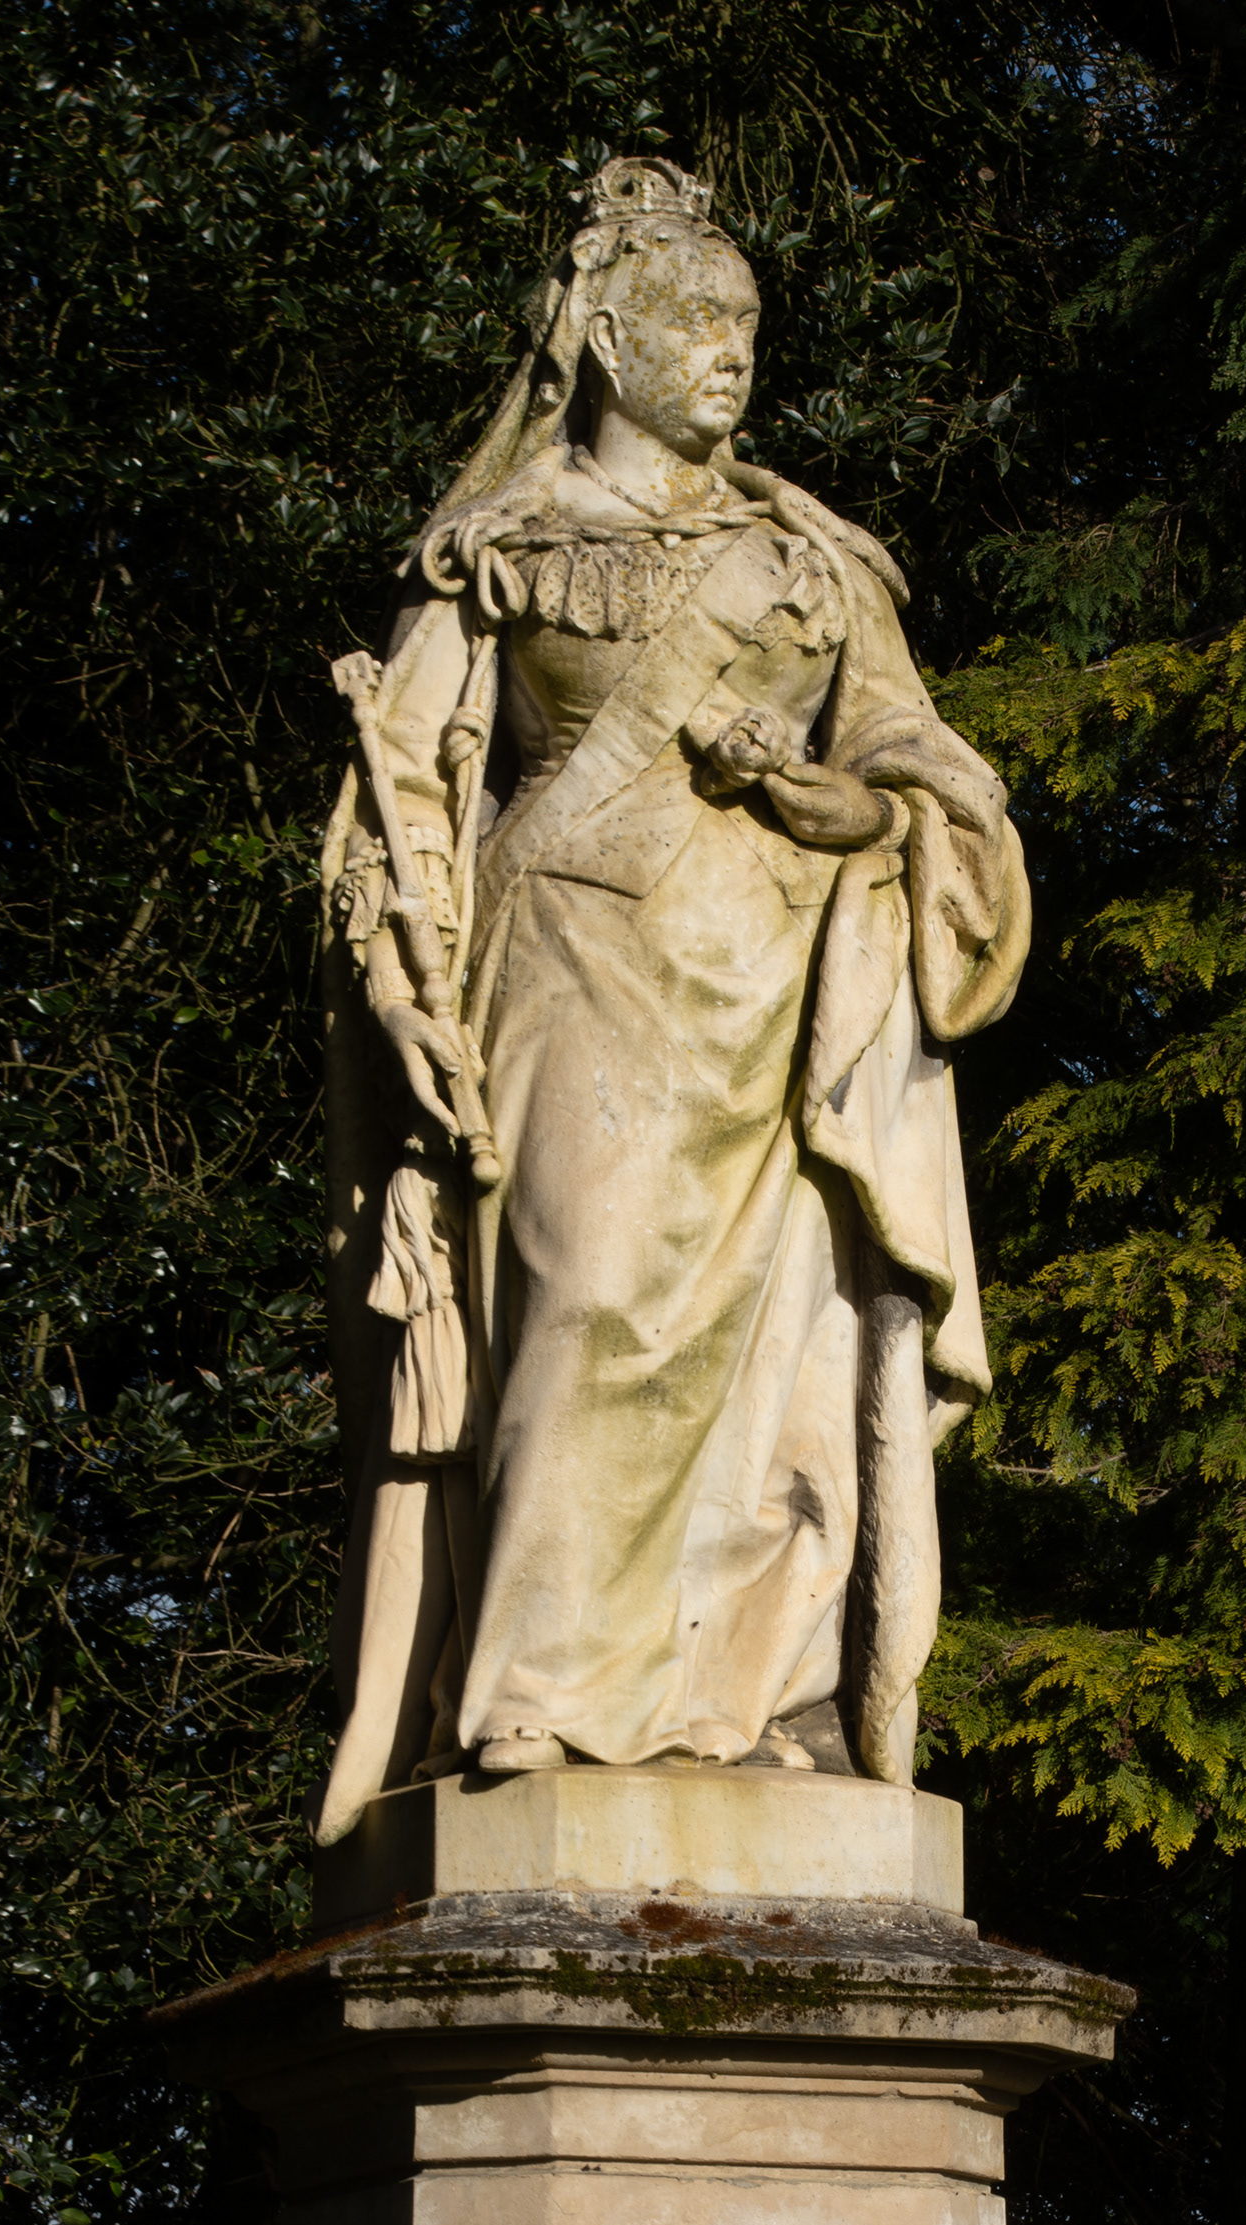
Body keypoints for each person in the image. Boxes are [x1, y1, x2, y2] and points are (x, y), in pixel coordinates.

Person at [313, 153, 1029, 1846]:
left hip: (777, 1000)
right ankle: (541, 1700)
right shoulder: (497, 552)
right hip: (567, 967)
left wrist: (868, 809)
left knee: (775, 1370)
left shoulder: (814, 563)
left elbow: (920, 758)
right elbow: (396, 803)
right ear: (605, 337)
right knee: (584, 1302)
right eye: (695, 316)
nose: (730, 348)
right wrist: (399, 995)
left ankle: (740, 1709)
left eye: (746, 320)